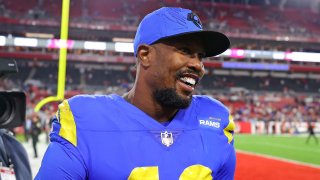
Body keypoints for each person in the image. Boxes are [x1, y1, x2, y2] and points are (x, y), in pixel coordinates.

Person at [36, 7, 235, 179]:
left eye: (200, 56)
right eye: (185, 50)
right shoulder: (84, 120)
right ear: (145, 55)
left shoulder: (215, 119)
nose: (198, 65)